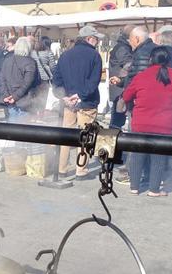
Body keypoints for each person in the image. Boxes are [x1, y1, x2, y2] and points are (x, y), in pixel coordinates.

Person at [122, 47, 172, 197]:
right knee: (158, 158)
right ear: (168, 60)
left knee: (137, 155)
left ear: (151, 59)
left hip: (141, 122)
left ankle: (134, 187)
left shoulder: (141, 76)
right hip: (165, 124)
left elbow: (127, 95)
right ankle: (154, 189)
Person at [52, 25, 104, 180]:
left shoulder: (65, 55)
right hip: (86, 102)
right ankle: (80, 170)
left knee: (66, 136)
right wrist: (79, 96)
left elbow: (56, 80)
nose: (98, 42)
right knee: (85, 136)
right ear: (89, 39)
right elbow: (94, 82)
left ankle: (62, 168)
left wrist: (64, 97)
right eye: (96, 39)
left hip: (68, 102)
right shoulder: (95, 56)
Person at [0, 37, 38, 119]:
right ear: (28, 48)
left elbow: (1, 80)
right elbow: (28, 83)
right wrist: (14, 96)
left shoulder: (7, 60)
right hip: (24, 103)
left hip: (8, 101)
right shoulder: (30, 62)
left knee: (9, 129)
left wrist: (6, 95)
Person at [108, 25, 134, 130]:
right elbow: (129, 65)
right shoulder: (123, 48)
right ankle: (112, 143)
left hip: (119, 88)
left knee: (117, 120)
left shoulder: (123, 47)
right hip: (120, 89)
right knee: (117, 121)